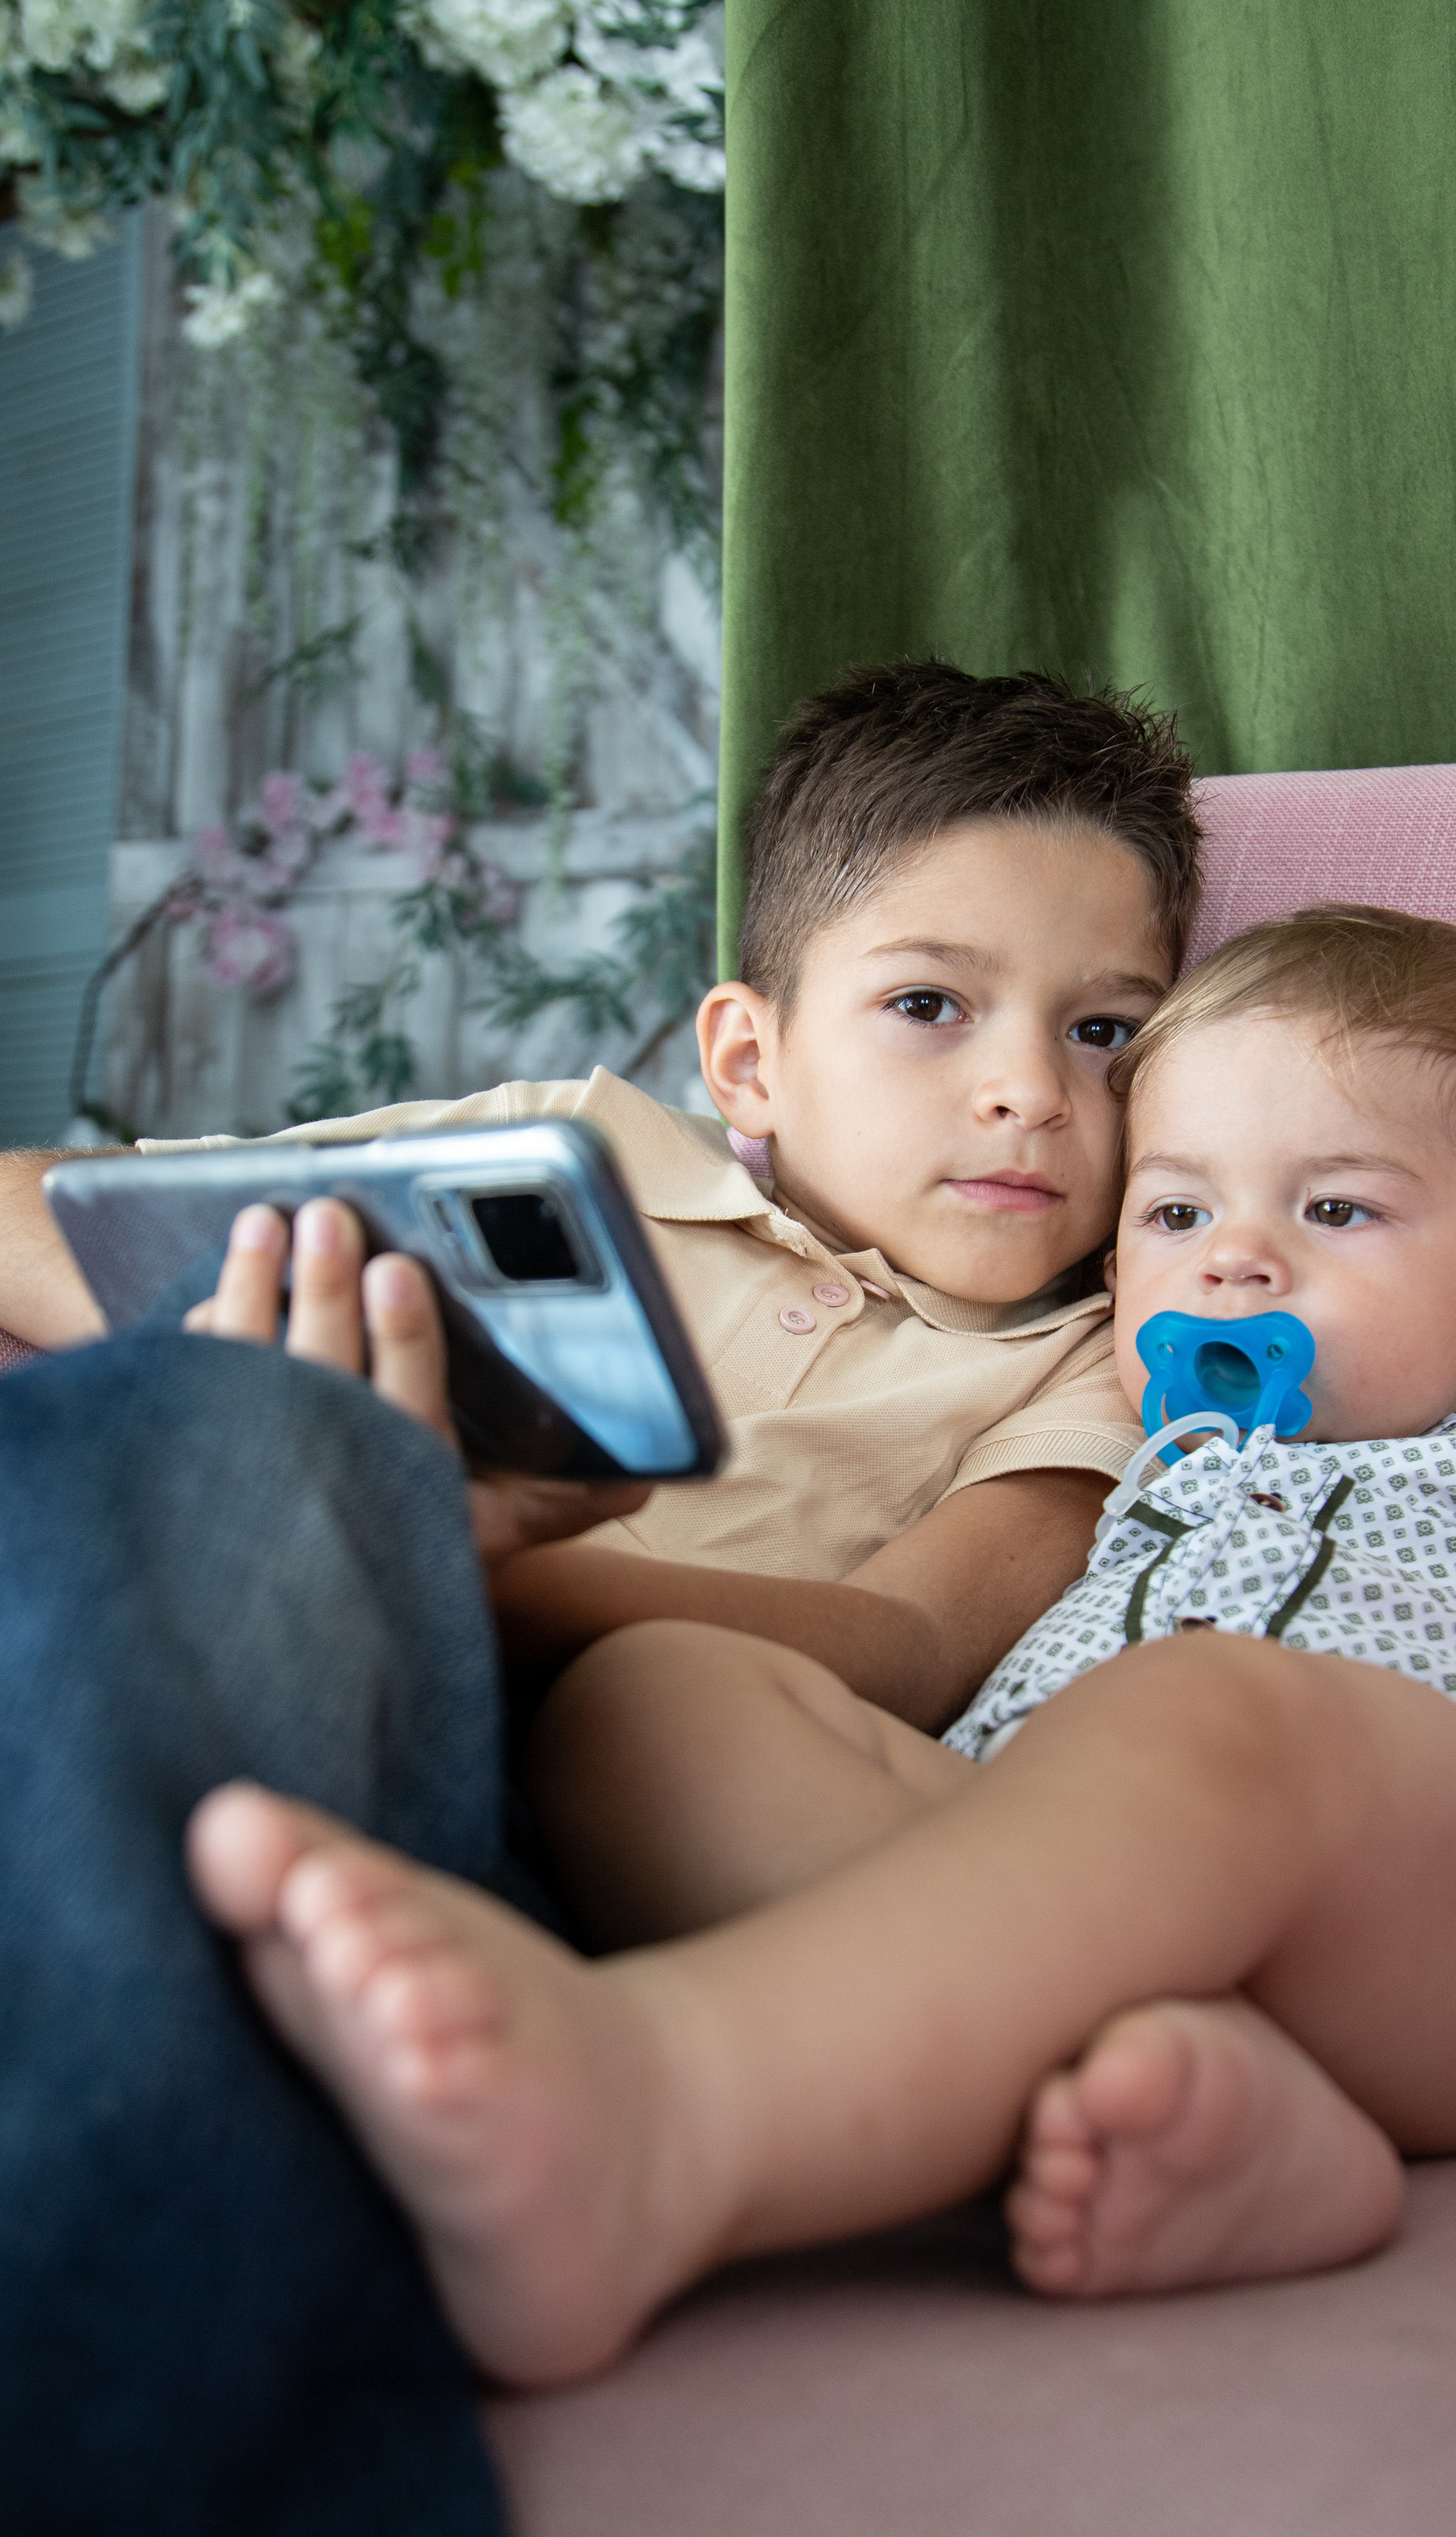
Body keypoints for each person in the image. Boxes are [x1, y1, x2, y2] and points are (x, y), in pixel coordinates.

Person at [180, 905, 1456, 2397]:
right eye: (1176, 1214)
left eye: (1334, 1210)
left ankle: (669, 2109)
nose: (1234, 1263)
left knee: (1217, 1703)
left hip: (1455, 1949)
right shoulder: (1104, 1459)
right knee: (654, 1692)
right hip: (1089, 1904)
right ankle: (1211, 2112)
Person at [0, 662, 1201, 1740]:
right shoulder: (568, 1147)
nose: (1032, 1093)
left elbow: (910, 1649)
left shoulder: (1096, 1356)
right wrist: (266, 1360)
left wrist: (466, 1567)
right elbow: (38, 1212)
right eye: (930, 1005)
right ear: (750, 1062)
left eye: (1104, 1031)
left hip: (508, 1751)